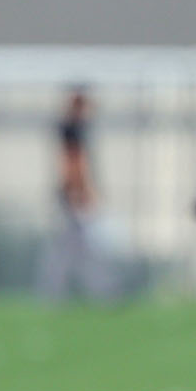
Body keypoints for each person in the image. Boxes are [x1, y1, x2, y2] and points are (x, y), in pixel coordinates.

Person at [36, 87, 117, 300]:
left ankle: (61, 291)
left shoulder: (72, 127)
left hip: (71, 193)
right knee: (78, 247)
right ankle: (97, 290)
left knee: (74, 248)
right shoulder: (73, 129)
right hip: (73, 194)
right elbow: (73, 162)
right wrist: (81, 192)